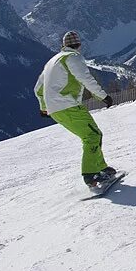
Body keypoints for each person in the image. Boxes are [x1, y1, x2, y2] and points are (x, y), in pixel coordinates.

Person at [34, 31, 116, 187]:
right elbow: (85, 78)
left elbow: (38, 89)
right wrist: (103, 96)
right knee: (92, 136)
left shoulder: (52, 61)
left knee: (93, 134)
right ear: (79, 45)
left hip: (56, 109)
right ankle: (91, 175)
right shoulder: (73, 57)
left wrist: (44, 107)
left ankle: (100, 168)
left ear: (63, 45)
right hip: (67, 105)